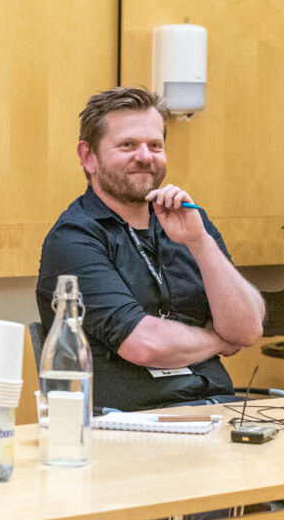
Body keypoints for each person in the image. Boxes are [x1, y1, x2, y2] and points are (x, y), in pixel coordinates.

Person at [36, 86, 265, 412]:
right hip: (129, 424)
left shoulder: (188, 220)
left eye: (155, 145)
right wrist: (219, 340)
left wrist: (200, 243)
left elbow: (248, 328)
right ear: (88, 157)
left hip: (217, 411)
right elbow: (144, 344)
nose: (144, 156)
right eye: (127, 145)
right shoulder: (73, 238)